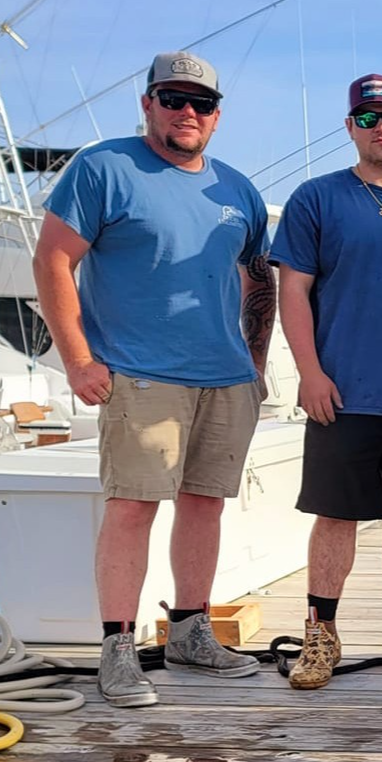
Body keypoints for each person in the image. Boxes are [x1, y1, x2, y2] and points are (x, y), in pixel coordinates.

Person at [33, 50, 271, 708]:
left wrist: (256, 362)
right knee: (133, 507)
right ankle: (117, 646)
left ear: (217, 116)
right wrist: (78, 358)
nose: (188, 111)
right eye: (173, 98)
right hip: (139, 375)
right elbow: (53, 260)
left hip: (225, 378)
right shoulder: (103, 167)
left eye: (202, 103)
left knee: (205, 504)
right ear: (148, 104)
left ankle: (190, 633)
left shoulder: (238, 190)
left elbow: (259, 277)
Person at [271, 73, 382, 690]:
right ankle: (321, 633)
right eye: (369, 118)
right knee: (335, 515)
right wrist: (309, 372)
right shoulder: (316, 198)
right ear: (350, 127)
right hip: (340, 393)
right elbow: (292, 290)